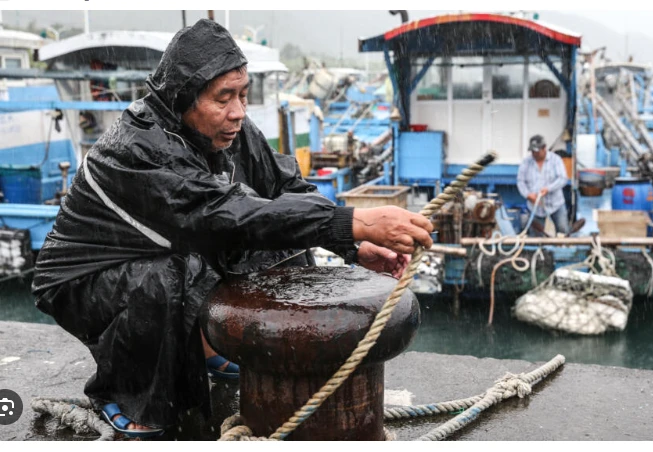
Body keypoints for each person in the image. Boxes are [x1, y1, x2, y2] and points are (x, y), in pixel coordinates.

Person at [31, 19, 433, 438]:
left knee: (284, 240)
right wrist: (358, 221)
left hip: (172, 247)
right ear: (184, 98)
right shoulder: (137, 149)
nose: (238, 111)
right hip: (82, 279)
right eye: (224, 97)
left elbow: (287, 189)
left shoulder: (229, 129)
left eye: (243, 95)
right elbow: (221, 214)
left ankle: (212, 348)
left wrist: (352, 245)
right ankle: (132, 394)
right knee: (162, 279)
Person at [517, 134, 569, 236]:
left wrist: (548, 189)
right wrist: (528, 195)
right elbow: (520, 181)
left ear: (544, 148)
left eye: (537, 151)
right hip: (535, 208)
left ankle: (563, 250)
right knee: (535, 236)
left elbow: (563, 178)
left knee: (563, 232)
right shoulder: (526, 162)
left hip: (556, 205)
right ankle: (539, 251)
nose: (534, 154)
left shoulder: (556, 160)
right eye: (532, 151)